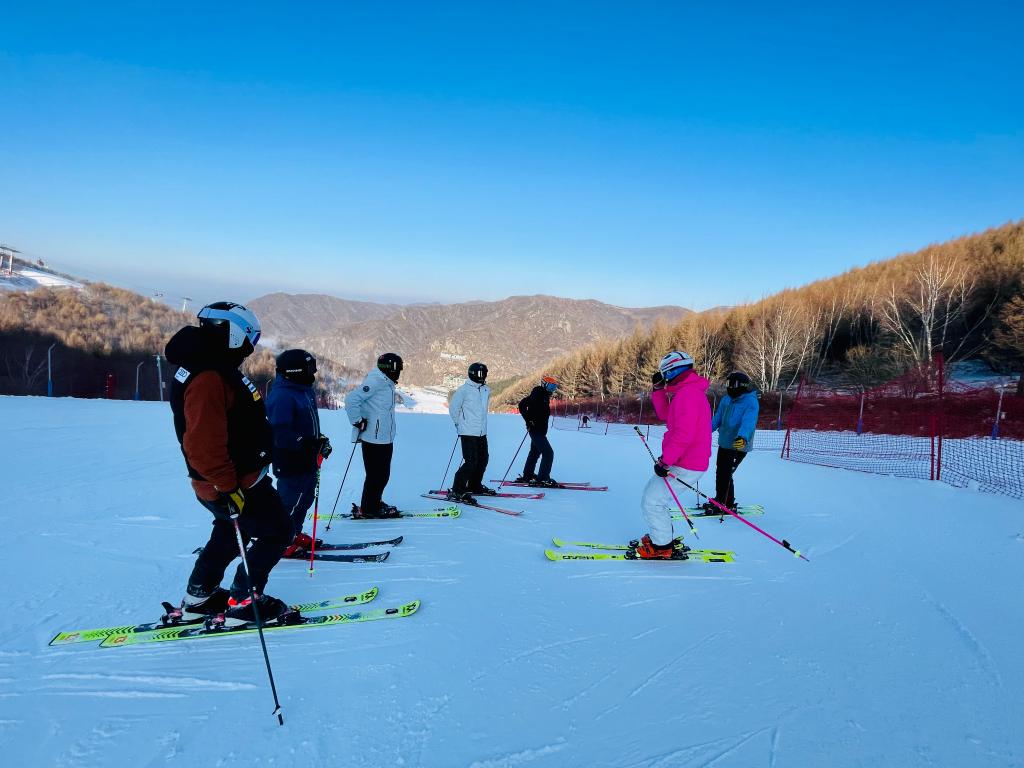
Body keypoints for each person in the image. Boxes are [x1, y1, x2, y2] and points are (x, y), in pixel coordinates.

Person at [164, 301, 293, 625]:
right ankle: (243, 601)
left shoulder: (209, 365)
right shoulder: (208, 376)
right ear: (234, 335)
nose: (250, 348)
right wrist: (227, 486)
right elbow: (202, 443)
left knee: (228, 531)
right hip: (232, 480)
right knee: (276, 531)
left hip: (229, 479)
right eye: (250, 338)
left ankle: (200, 595)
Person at [634, 351, 712, 559]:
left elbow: (683, 435)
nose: (665, 378)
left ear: (673, 371)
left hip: (686, 462)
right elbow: (667, 415)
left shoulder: (688, 395)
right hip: (686, 460)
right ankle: (662, 538)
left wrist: (665, 461)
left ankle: (662, 547)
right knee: (655, 498)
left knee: (652, 501)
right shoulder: (687, 392)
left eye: (665, 374)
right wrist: (658, 391)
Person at [266, 349, 332, 556]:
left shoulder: (303, 390)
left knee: (305, 498)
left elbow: (306, 425)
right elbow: (280, 432)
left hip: (306, 457)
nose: (312, 374)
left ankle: (292, 534)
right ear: (295, 370)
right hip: (289, 459)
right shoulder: (282, 395)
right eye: (308, 369)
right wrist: (306, 444)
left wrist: (319, 441)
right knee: (289, 501)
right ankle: (279, 540)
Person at [345, 352, 402, 518]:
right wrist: (357, 420)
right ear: (389, 368)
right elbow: (351, 400)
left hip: (384, 437)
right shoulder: (376, 381)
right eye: (397, 369)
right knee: (376, 475)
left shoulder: (386, 382)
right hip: (374, 438)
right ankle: (370, 508)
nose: (399, 372)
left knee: (381, 475)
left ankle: (373, 502)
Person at [706, 371, 758, 512]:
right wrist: (704, 431)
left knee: (726, 472)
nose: (729, 387)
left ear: (742, 385)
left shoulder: (750, 402)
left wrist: (742, 437)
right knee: (721, 471)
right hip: (724, 442)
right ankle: (721, 499)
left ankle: (725, 503)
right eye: (728, 384)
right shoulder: (727, 399)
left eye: (733, 384)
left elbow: (749, 422)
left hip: (738, 445)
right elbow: (718, 418)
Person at [448, 362, 494, 503]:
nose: (483, 376)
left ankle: (474, 485)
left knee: (483, 459)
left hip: (481, 432)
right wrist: (459, 424)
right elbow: (453, 408)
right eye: (481, 374)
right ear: (473, 374)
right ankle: (457, 489)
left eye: (485, 373)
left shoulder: (486, 390)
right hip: (468, 432)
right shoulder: (464, 390)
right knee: (471, 462)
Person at [516, 376, 559, 487]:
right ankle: (543, 479)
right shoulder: (538, 392)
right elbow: (522, 405)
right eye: (550, 386)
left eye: (554, 387)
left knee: (535, 452)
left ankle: (528, 475)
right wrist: (528, 420)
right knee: (548, 453)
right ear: (544, 384)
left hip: (540, 430)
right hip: (535, 430)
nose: (552, 389)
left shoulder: (544, 395)